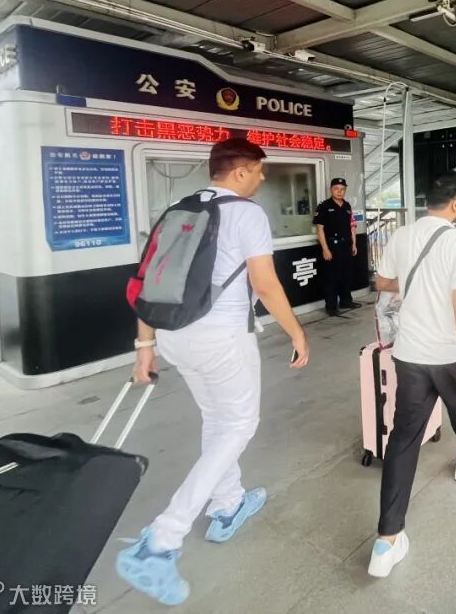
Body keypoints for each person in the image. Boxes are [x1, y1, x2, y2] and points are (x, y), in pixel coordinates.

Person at [117, 138, 311, 606]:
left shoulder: (178, 211)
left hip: (174, 335)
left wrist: (145, 347)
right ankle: (162, 540)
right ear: (240, 172)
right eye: (259, 171)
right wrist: (297, 332)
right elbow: (265, 283)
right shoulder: (246, 214)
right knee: (240, 425)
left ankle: (227, 505)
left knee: (217, 419)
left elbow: (148, 282)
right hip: (221, 339)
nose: (262, 179)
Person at [367, 171, 456, 578]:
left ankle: (387, 541)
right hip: (447, 353)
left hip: (409, 355)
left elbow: (381, 281)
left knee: (404, 438)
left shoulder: (402, 235)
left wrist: (414, 283)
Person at [314, 177, 361, 317]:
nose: (339, 192)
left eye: (342, 189)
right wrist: (325, 249)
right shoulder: (324, 206)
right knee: (331, 278)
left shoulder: (347, 206)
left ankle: (346, 301)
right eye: (336, 189)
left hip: (346, 245)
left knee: (346, 275)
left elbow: (352, 227)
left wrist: (354, 244)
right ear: (331, 189)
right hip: (332, 247)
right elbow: (319, 229)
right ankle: (331, 307)